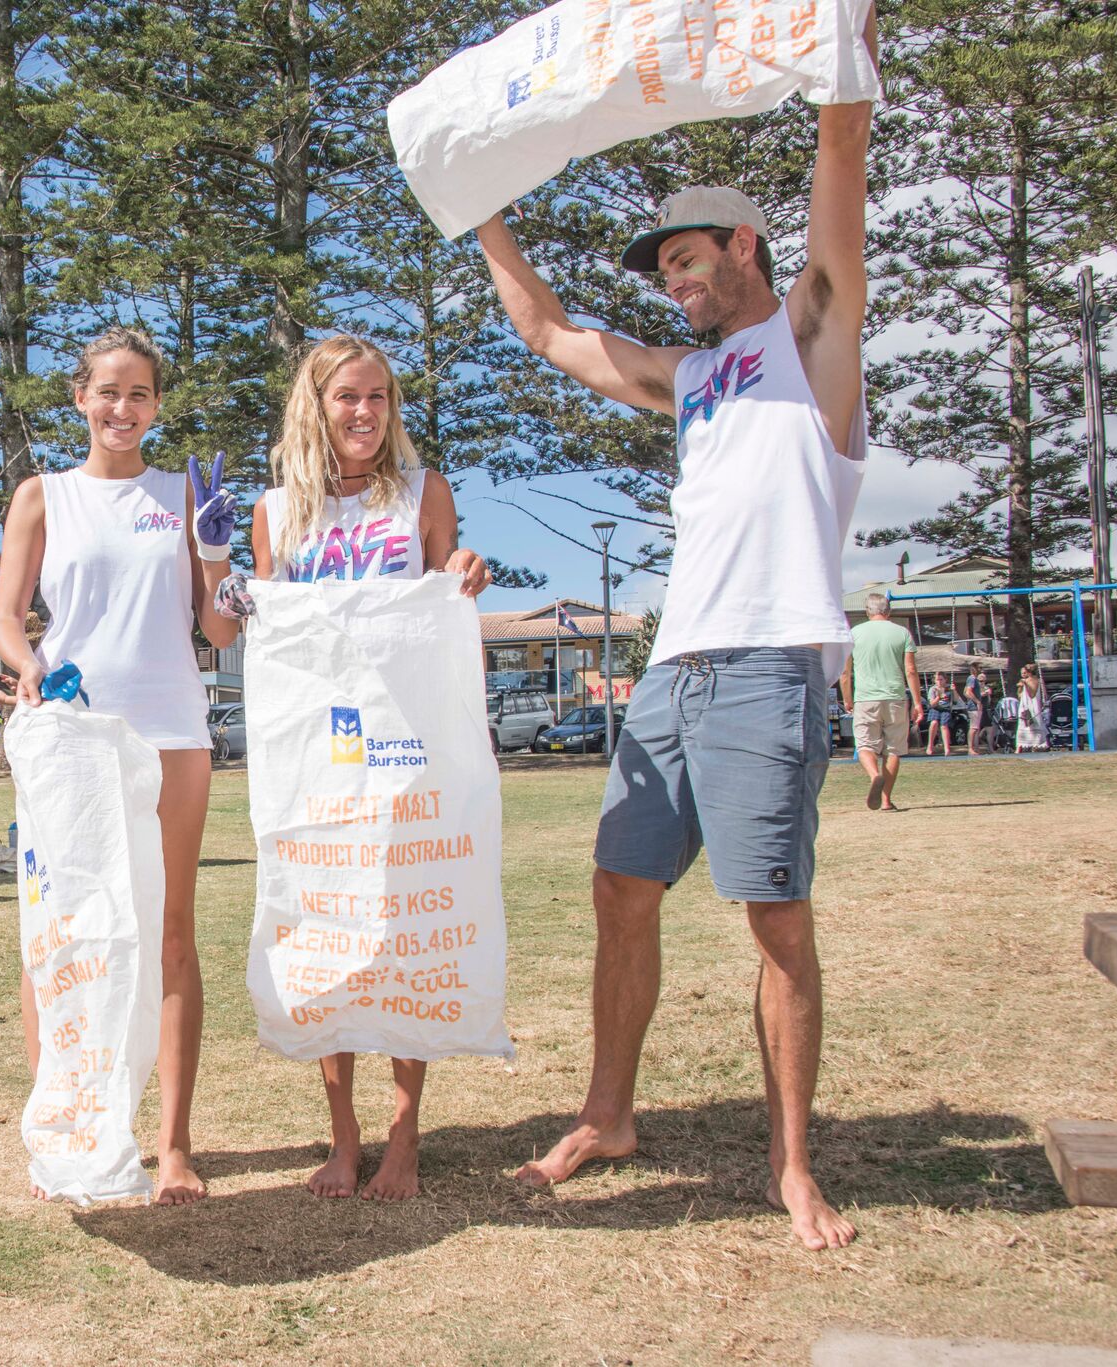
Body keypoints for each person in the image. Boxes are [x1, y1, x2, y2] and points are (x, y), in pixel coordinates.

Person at [473, 5, 877, 1251]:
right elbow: (545, 331)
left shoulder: (811, 335)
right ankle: (608, 1113)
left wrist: (835, 60)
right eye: (661, 273)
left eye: (687, 259)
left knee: (774, 917)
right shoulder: (688, 379)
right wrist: (475, 207)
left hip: (768, 659)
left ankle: (791, 1165)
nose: (672, 280)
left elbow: (842, 190)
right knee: (617, 888)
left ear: (744, 245)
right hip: (673, 667)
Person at [0, 325, 239, 1205]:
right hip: (73, 739)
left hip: (171, 730)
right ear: (80, 398)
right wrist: (25, 666)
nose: (122, 409)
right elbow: (8, 619)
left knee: (168, 933)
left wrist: (214, 551)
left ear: (157, 406)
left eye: (139, 394)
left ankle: (171, 1147)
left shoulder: (185, 496)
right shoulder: (42, 495)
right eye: (107, 391)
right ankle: (71, 1129)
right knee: (59, 937)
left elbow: (218, 630)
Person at [244, 333, 493, 1202]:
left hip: (403, 752)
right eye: (347, 396)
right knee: (327, 939)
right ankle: (342, 1137)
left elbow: (441, 599)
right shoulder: (277, 512)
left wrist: (460, 568)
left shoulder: (423, 492)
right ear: (316, 406)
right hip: (315, 761)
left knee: (403, 938)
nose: (364, 413)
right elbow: (267, 630)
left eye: (379, 397)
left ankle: (404, 1135)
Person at [838, 591, 922, 811]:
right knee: (893, 750)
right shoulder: (902, 633)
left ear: (867, 611)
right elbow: (911, 670)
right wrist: (918, 702)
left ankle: (874, 775)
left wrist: (847, 699)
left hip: (865, 698)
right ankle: (886, 800)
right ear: (888, 611)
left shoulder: (854, 633)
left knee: (865, 745)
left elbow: (845, 673)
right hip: (895, 697)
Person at [1015, 664, 1047, 752]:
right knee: (1023, 724)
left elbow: (1032, 694)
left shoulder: (1035, 680)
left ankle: (1036, 745)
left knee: (1033, 724)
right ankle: (1019, 746)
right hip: (1024, 705)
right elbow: (1020, 696)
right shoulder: (1026, 681)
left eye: (1025, 672)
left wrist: (1026, 684)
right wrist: (1021, 688)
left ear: (1029, 672)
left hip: (1032, 705)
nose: (1024, 674)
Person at [925, 672, 952, 756]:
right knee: (934, 723)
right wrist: (938, 696)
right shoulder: (933, 689)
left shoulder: (949, 688)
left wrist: (954, 691)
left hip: (945, 709)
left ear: (945, 680)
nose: (939, 682)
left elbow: (956, 700)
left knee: (944, 726)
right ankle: (930, 746)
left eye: (941, 679)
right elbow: (932, 704)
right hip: (935, 708)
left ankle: (947, 748)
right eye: (937, 680)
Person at [963, 665, 987, 757]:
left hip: (975, 706)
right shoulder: (972, 678)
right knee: (973, 727)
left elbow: (965, 692)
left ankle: (976, 748)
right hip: (973, 706)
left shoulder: (973, 679)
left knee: (976, 728)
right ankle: (971, 748)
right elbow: (968, 692)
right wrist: (977, 701)